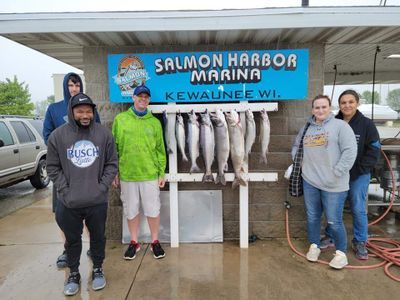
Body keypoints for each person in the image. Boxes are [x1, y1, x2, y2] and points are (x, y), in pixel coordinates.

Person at [46, 93, 118, 295]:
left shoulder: (104, 134)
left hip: (96, 200)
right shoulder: (57, 136)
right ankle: (74, 273)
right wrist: (65, 190)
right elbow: (52, 167)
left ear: (93, 112)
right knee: (72, 240)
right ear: (72, 112)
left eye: (88, 111)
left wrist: (101, 187)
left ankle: (97, 269)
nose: (85, 115)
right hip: (68, 202)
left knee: (98, 237)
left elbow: (112, 164)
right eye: (80, 111)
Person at [292, 95, 357, 269]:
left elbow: (350, 152)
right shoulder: (307, 128)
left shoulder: (341, 127)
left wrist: (337, 172)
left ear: (330, 108)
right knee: (312, 216)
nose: (320, 110)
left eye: (324, 107)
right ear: (312, 109)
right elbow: (296, 147)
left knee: (334, 220)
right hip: (310, 181)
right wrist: (301, 167)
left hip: (334, 184)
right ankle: (314, 245)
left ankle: (341, 253)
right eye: (317, 107)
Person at [43, 72, 100, 268]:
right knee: (64, 217)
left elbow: (98, 133)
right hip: (65, 174)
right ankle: (68, 250)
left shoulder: (89, 109)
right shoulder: (54, 109)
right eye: (70, 85)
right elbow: (48, 136)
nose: (73, 89)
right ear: (65, 87)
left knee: (91, 214)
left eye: (77, 85)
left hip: (87, 171)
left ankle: (94, 247)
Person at [320, 90, 380, 260]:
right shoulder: (333, 122)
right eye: (343, 102)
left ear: (357, 103)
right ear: (339, 105)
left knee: (357, 207)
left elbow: (374, 150)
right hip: (336, 174)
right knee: (333, 206)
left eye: (350, 102)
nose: (347, 105)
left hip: (358, 174)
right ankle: (331, 236)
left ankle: (360, 240)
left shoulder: (367, 124)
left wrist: (359, 169)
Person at [112, 84, 167, 260]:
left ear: (149, 100)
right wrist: (114, 171)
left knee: (153, 209)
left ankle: (155, 241)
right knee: (131, 210)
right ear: (133, 98)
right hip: (128, 174)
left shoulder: (155, 122)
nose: (143, 99)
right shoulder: (120, 119)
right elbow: (114, 147)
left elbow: (160, 150)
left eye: (146, 97)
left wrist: (161, 172)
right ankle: (134, 242)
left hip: (150, 174)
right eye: (140, 96)